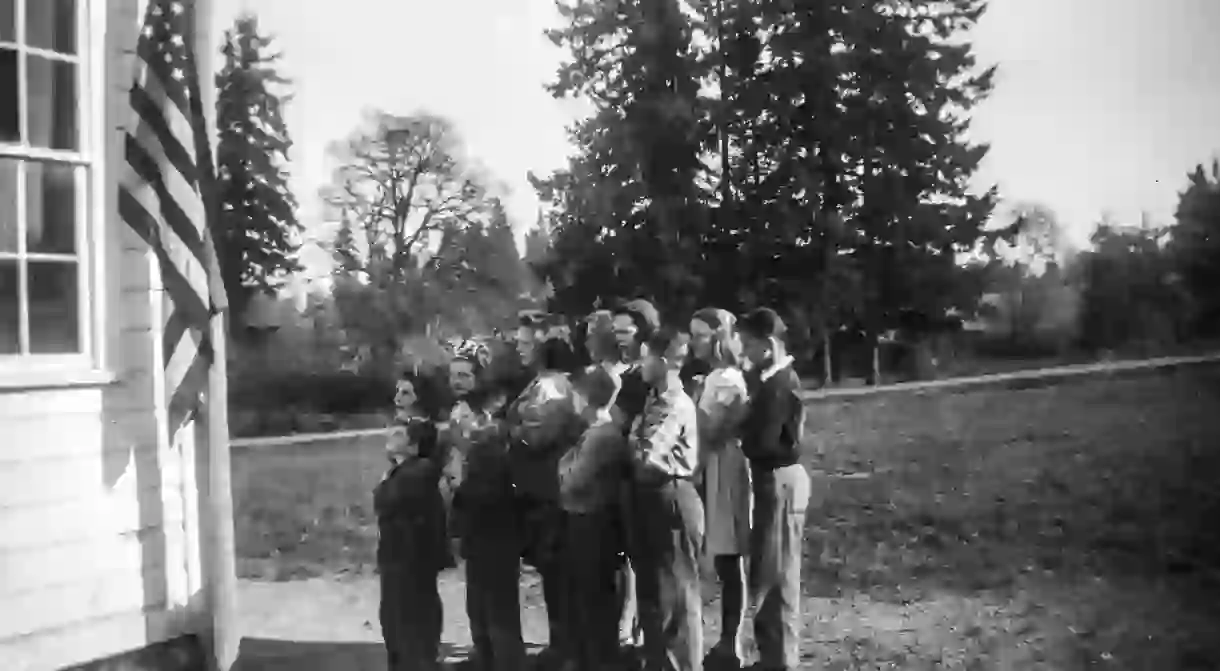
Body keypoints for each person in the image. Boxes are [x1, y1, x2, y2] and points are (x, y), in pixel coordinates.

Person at [504, 312, 584, 669]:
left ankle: (564, 646)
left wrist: (513, 430)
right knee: (553, 570)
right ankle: (562, 642)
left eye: (525, 342)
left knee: (557, 571)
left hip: (550, 489)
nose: (519, 348)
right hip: (543, 489)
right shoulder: (542, 383)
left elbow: (539, 435)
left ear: (542, 344)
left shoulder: (551, 386)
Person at [446, 341, 528, 671]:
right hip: (471, 510)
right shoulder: (458, 413)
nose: (457, 381)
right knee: (476, 592)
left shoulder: (497, 418)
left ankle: (507, 660)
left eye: (465, 375)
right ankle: (484, 653)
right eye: (453, 375)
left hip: (496, 511)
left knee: (498, 597)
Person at [627, 328, 704, 671]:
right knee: (653, 591)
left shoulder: (674, 403)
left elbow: (648, 458)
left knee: (674, 593)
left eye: (645, 357)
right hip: (649, 497)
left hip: (670, 494)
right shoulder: (653, 399)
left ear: (662, 360)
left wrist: (630, 443)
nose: (640, 364)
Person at [737, 308, 810, 671]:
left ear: (768, 345)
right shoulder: (769, 380)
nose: (744, 352)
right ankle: (772, 656)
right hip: (773, 479)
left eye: (748, 344)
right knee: (768, 570)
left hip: (779, 479)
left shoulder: (778, 385)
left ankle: (780, 661)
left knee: (777, 574)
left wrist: (740, 425)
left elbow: (761, 442)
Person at [688, 308, 752, 669]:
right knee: (723, 557)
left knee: (729, 557)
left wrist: (692, 405)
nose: (694, 341)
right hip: (716, 462)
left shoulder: (724, 378)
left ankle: (732, 642)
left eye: (699, 334)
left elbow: (710, 432)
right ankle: (729, 640)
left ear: (716, 336)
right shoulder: (713, 378)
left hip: (724, 465)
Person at [375, 370, 450, 671]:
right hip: (400, 540)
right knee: (398, 608)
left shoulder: (424, 441)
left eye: (405, 393)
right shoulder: (405, 440)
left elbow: (393, 496)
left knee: (413, 606)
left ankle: (419, 658)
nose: (397, 399)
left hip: (413, 541)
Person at [558, 365, 631, 671]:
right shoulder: (597, 432)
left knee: (595, 600)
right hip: (588, 520)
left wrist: (562, 466)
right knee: (588, 598)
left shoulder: (601, 436)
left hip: (593, 523)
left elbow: (572, 481)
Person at [610, 299, 662, 652]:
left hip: (643, 474)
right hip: (636, 472)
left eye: (625, 332)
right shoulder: (644, 373)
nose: (619, 340)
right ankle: (641, 632)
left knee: (644, 560)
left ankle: (640, 633)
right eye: (615, 333)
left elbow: (614, 421)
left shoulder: (640, 378)